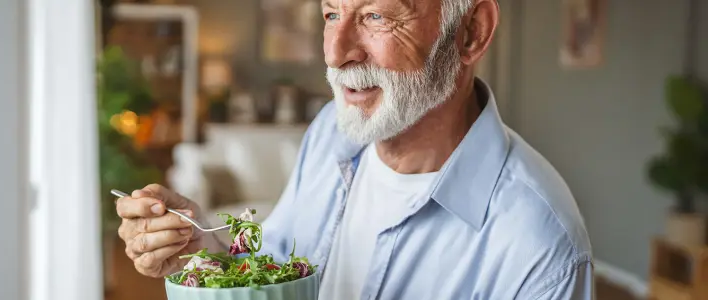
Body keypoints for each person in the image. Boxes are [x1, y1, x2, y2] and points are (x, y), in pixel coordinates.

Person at [115, 0, 594, 298]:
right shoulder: (331, 131)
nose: (336, 52)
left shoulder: (541, 247)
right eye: (331, 13)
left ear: (469, 32)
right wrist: (200, 244)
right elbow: (281, 266)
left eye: (375, 15)